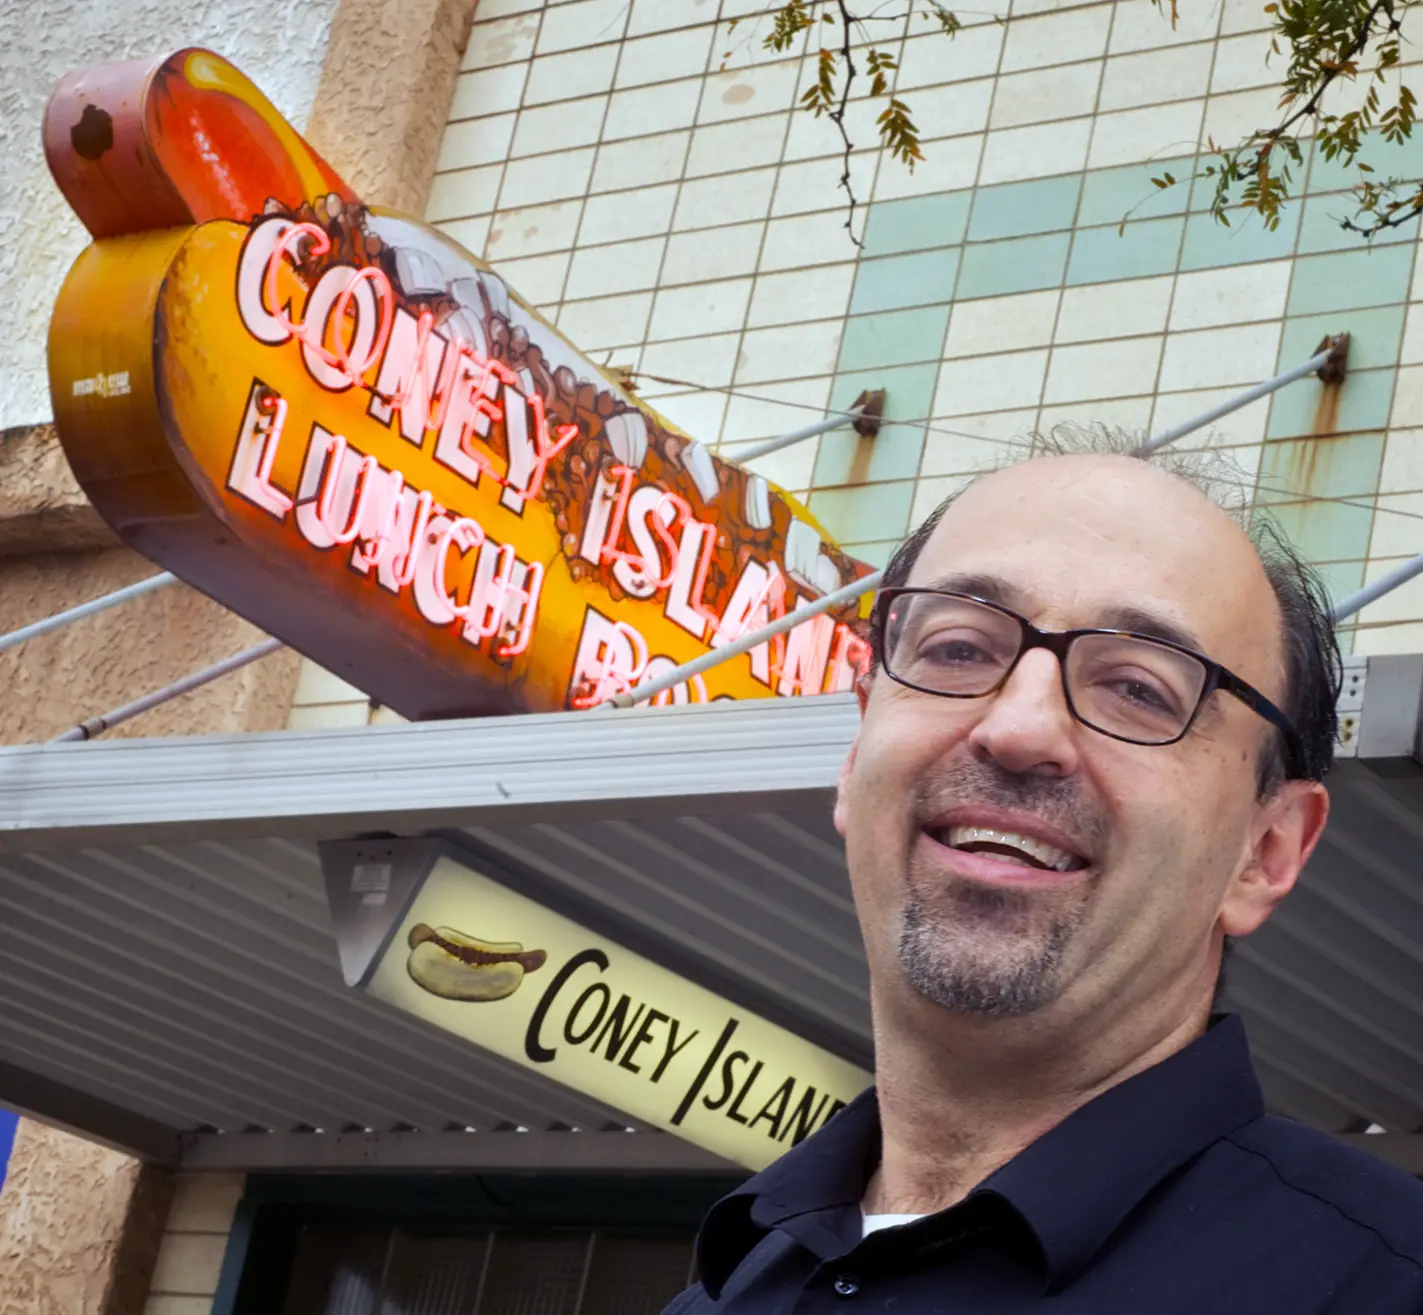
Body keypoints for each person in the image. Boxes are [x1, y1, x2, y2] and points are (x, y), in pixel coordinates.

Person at [663, 435, 1423, 1312]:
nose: (1018, 728)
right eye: (957, 647)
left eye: (1139, 688)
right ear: (854, 752)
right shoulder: (724, 1292)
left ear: (1265, 851)